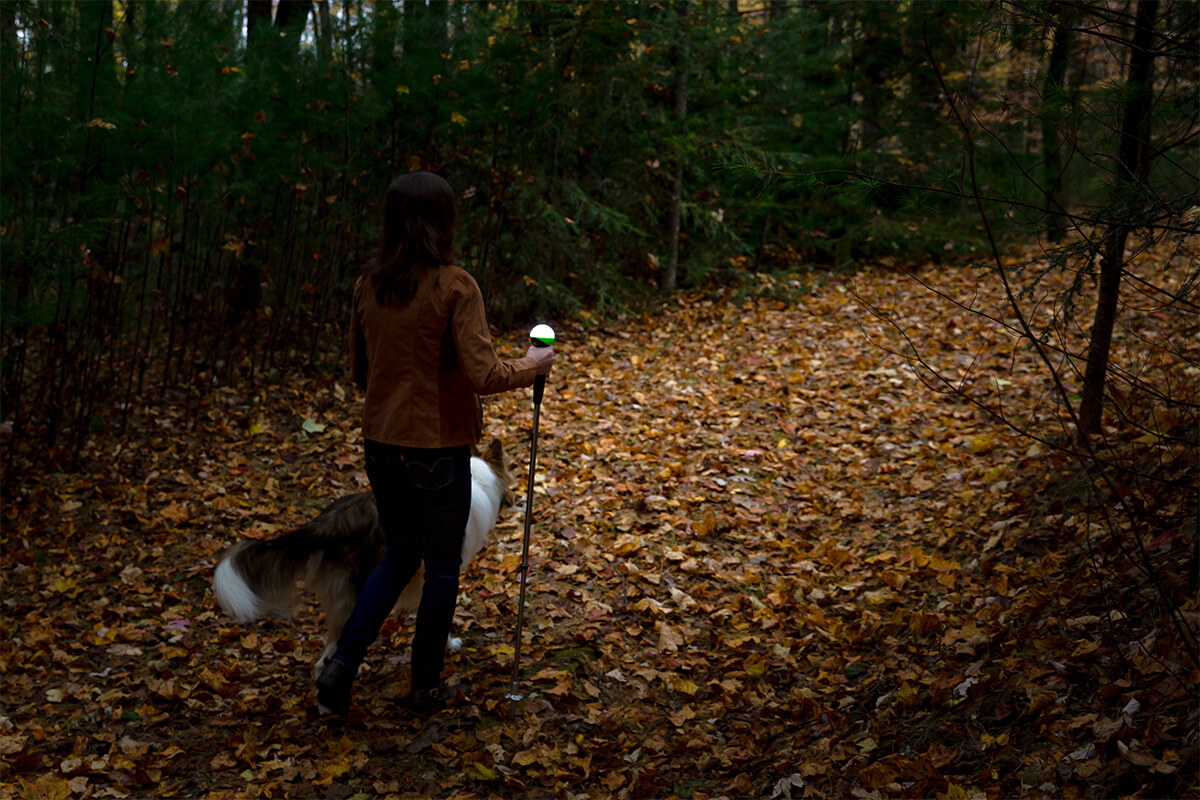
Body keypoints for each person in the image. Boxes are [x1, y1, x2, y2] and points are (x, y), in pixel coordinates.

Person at [316, 171, 554, 715]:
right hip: (436, 450)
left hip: (380, 444)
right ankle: (425, 686)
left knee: (399, 556)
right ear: (443, 220)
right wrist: (535, 364)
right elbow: (485, 374)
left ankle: (341, 666)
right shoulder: (455, 285)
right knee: (442, 567)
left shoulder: (367, 286)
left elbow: (361, 373)